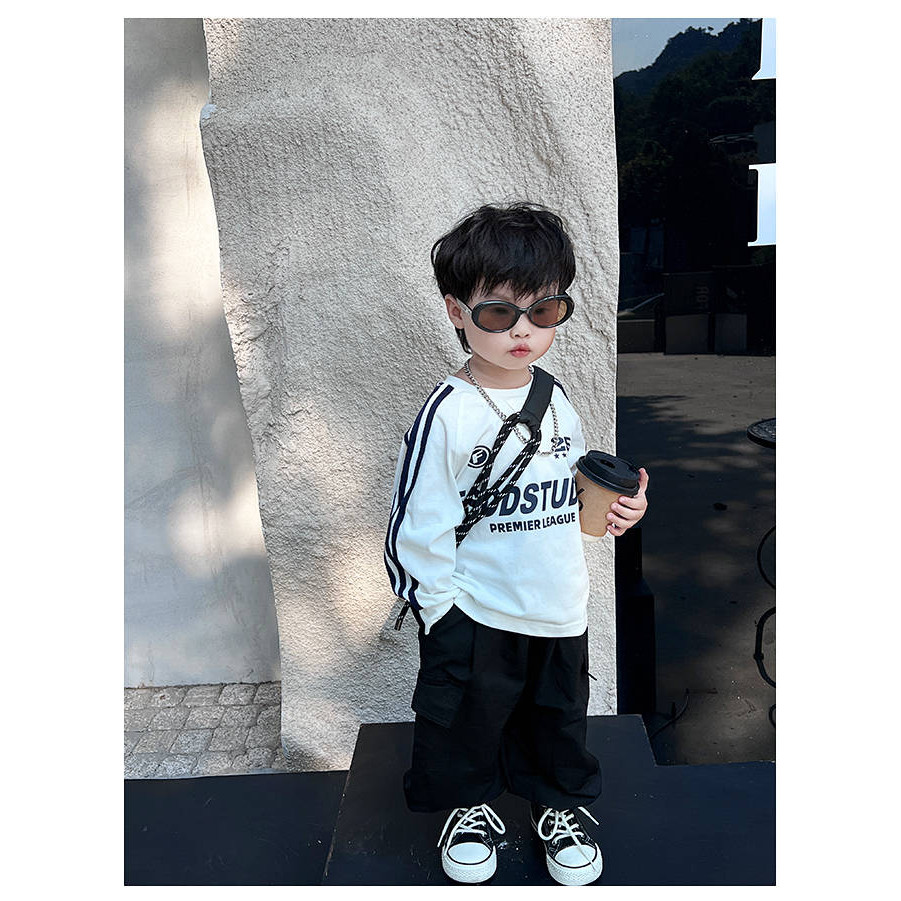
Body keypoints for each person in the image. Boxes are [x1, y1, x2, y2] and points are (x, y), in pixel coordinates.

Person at [384, 202, 649, 885]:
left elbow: (572, 495)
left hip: (558, 602)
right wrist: (439, 609)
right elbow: (415, 522)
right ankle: (468, 808)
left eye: (544, 310)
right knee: (464, 722)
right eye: (499, 313)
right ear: (456, 311)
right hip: (476, 608)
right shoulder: (447, 412)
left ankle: (556, 806)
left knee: (556, 720)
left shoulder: (555, 399)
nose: (523, 330)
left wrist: (622, 509)